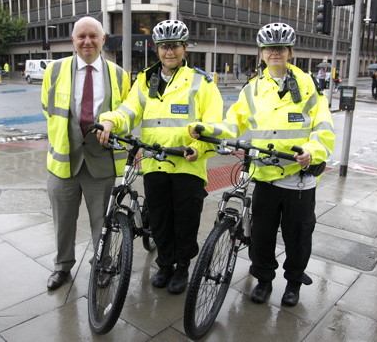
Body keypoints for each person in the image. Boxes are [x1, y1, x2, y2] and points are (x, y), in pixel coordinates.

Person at [189, 23, 335, 306]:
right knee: (262, 235)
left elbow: (324, 127)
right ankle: (264, 279)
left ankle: (293, 282)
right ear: (262, 54)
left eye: (280, 48)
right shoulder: (252, 89)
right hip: (265, 176)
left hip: (299, 179)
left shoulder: (308, 86)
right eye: (270, 48)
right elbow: (232, 123)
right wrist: (206, 129)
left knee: (298, 236)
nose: (275, 53)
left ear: (290, 51)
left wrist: (312, 151)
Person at [97, 20, 223, 295]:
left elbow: (213, 124)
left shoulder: (202, 82)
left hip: (187, 165)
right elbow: (129, 111)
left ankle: (182, 267)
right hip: (154, 163)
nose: (170, 52)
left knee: (185, 220)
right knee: (161, 219)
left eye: (175, 46)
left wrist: (198, 147)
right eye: (165, 46)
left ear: (184, 48)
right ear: (156, 49)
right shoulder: (145, 80)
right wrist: (109, 122)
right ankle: (165, 264)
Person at [41, 16, 130, 291]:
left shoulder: (119, 74)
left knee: (102, 223)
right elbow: (47, 107)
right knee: (63, 221)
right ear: (73, 41)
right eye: (81, 36)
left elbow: (125, 114)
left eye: (93, 36)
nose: (87, 41)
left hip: (100, 162)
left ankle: (102, 265)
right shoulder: (54, 70)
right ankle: (62, 267)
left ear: (103, 40)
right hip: (63, 161)